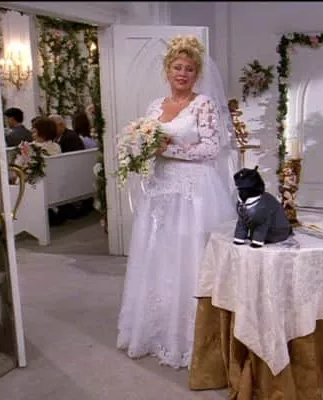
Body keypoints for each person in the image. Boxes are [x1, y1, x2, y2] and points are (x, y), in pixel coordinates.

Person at [116, 35, 236, 368]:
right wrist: (138, 151)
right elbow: (144, 142)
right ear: (167, 70)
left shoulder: (204, 104)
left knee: (191, 255)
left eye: (189, 69)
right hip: (160, 190)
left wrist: (167, 149)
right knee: (159, 255)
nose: (182, 74)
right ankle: (156, 329)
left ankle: (192, 337)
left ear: (197, 74)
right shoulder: (155, 106)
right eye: (177, 67)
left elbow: (211, 148)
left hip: (195, 192)